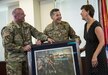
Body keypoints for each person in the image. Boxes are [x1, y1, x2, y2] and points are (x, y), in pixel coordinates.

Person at [1, 8, 54, 75]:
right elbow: (7, 45)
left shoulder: (26, 26)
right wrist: (23, 48)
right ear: (15, 16)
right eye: (22, 14)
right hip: (15, 63)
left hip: (27, 59)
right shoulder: (8, 28)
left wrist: (47, 38)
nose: (25, 15)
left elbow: (37, 33)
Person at [80, 4, 108, 75]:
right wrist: (82, 49)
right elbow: (89, 41)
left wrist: (95, 56)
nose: (80, 13)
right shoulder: (86, 25)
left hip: (97, 57)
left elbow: (102, 42)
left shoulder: (96, 26)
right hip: (89, 55)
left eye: (82, 11)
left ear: (87, 12)